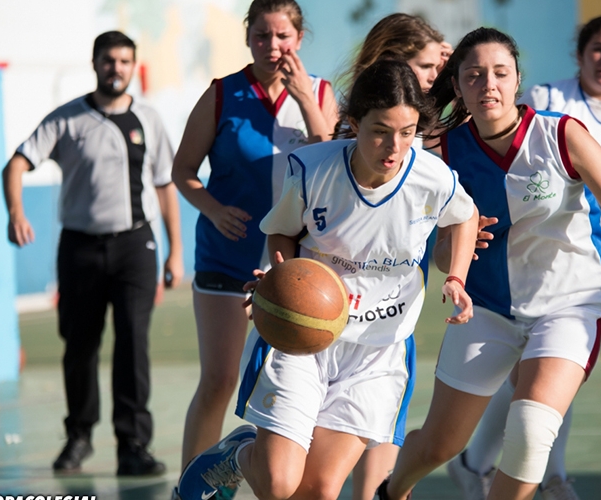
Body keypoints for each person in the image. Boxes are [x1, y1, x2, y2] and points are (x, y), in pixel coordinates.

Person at [377, 27, 601, 500]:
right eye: (473, 75)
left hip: (570, 304)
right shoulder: (442, 154)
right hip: (487, 307)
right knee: (438, 445)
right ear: (459, 87)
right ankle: (391, 491)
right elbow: (439, 254)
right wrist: (457, 256)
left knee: (532, 429)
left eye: (499, 73)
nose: (488, 84)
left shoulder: (560, 134)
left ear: (517, 81)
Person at [173, 59, 479, 500]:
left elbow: (464, 216)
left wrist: (457, 277)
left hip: (376, 349)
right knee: (279, 484)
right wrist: (280, 278)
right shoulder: (313, 168)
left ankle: (249, 452)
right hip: (305, 338)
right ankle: (239, 456)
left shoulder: (431, 177)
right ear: (354, 123)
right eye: (380, 130)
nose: (394, 146)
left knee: (317, 490)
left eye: (407, 132)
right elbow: (280, 230)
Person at [172, 0, 338, 493]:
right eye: (262, 36)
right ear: (248, 38)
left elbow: (332, 162)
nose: (273, 46)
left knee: (305, 392)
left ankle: (272, 471)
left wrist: (307, 100)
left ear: (300, 39)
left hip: (297, 273)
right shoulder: (223, 95)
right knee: (219, 380)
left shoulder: (324, 93)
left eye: (283, 36)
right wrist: (213, 209)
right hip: (228, 260)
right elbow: (183, 171)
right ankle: (191, 485)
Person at [1, 30, 183, 475]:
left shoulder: (149, 120)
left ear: (133, 67)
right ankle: (79, 437)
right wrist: (16, 212)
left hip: (135, 246)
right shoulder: (67, 119)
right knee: (79, 346)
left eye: (124, 61)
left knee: (133, 345)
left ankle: (132, 445)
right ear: (95, 63)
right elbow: (17, 164)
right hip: (80, 247)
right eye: (108, 60)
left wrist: (175, 253)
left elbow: (165, 186)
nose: (116, 68)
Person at [337, 13, 451, 500]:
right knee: (307, 459)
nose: (434, 76)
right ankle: (248, 454)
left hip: (394, 302)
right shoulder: (356, 131)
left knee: (382, 419)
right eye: (425, 67)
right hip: (340, 296)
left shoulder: (427, 129)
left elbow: (451, 210)